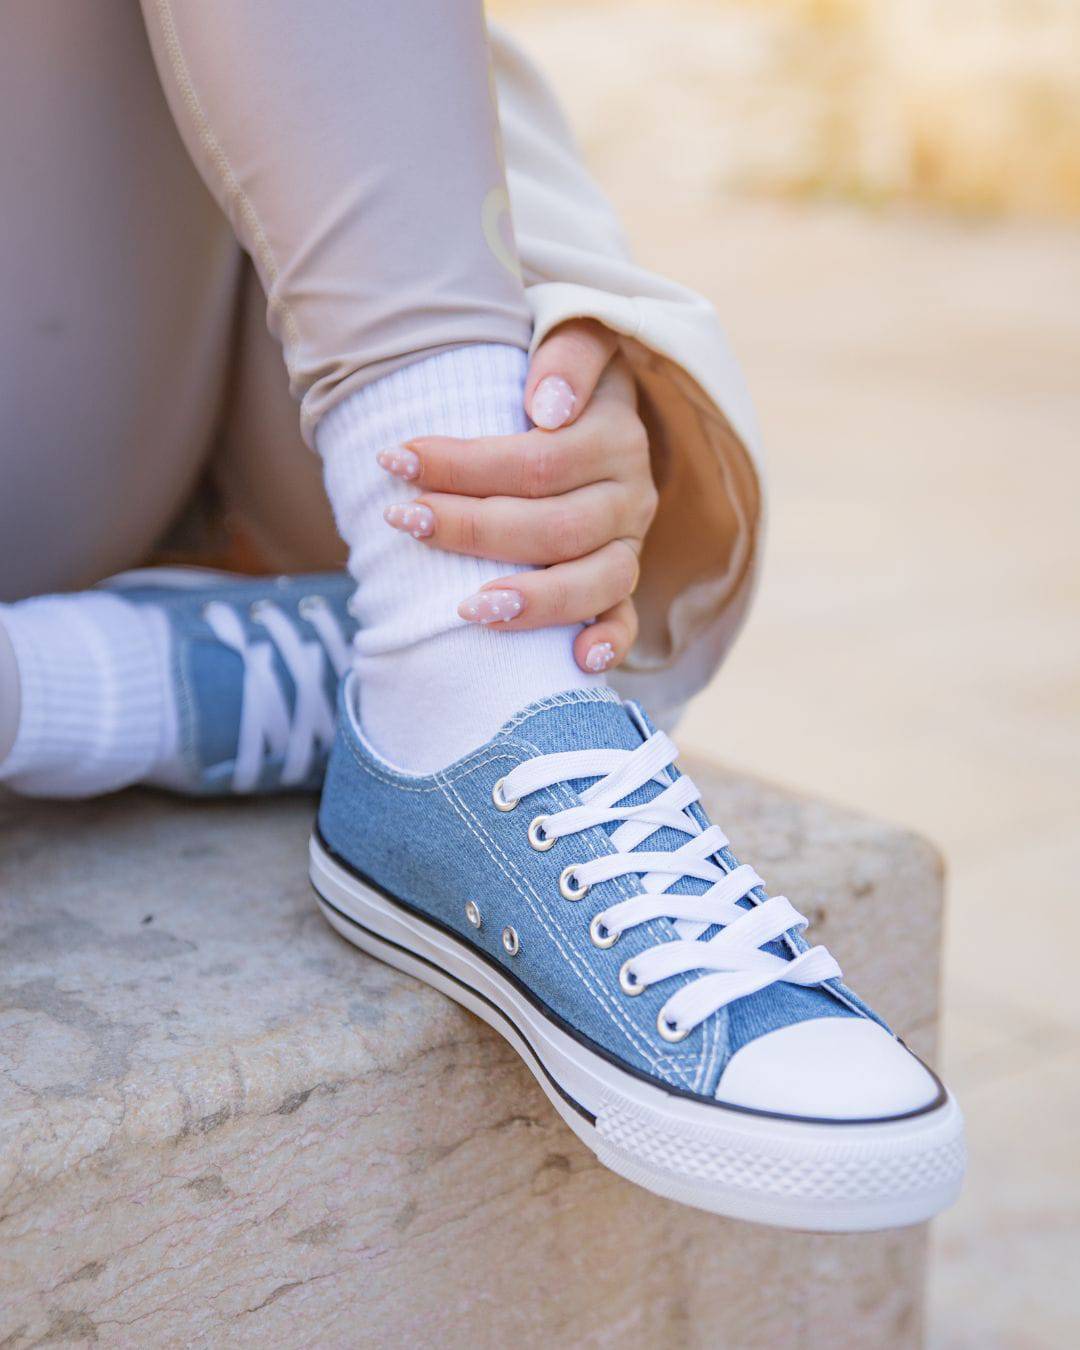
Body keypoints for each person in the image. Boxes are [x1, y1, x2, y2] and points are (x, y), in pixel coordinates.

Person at [0, 2, 963, 1229]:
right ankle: (180, 677)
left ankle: (464, 659)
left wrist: (533, 349)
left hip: (130, 364)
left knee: (511, 528)